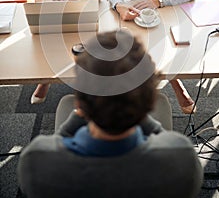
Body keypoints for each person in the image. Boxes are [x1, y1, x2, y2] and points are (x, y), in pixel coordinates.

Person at [18, 30, 203, 198]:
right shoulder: (183, 159)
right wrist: (136, 107)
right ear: (149, 102)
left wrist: (79, 114)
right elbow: (164, 138)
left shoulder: (36, 160)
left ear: (80, 103)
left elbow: (57, 144)